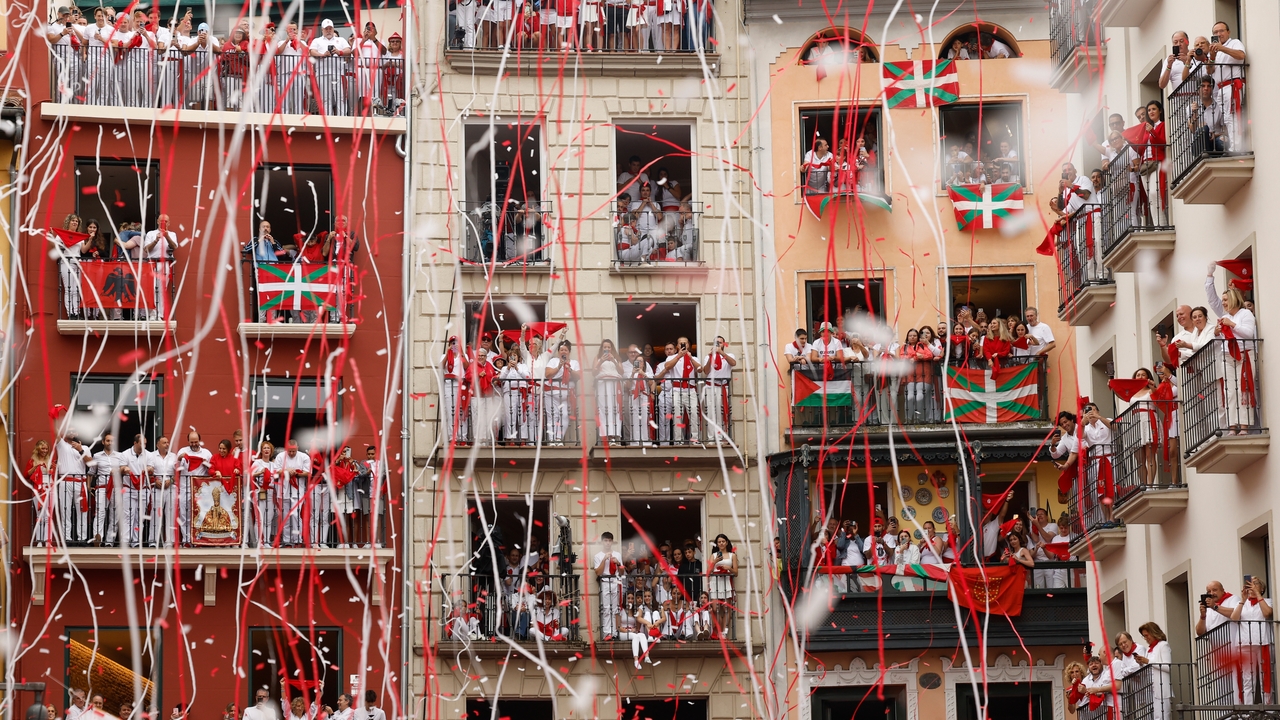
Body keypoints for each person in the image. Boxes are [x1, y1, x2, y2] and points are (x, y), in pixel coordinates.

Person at [1204, 266, 1257, 433]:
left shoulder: (1245, 314)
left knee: (1244, 390)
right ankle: (1232, 426)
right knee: (1230, 393)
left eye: (1226, 300)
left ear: (1234, 299)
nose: (1224, 303)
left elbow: (1248, 333)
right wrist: (1217, 332)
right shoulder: (1224, 316)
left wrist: (1232, 325)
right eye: (1223, 300)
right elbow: (1220, 340)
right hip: (1227, 357)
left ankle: (1244, 426)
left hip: (1244, 356)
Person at [1229, 576, 1273, 704]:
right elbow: (1234, 618)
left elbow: (1267, 613)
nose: (1252, 586)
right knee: (1248, 679)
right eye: (1250, 584)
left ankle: (1268, 709)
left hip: (1262, 642)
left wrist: (1258, 595)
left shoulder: (1267, 601)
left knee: (1265, 676)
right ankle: (1248, 711)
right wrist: (1242, 600)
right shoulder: (1242, 604)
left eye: (1256, 584)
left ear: (1262, 588)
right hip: (1244, 644)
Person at [656, 337, 701, 444]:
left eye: (684, 343)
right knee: (677, 416)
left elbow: (700, 369)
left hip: (690, 389)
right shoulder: (672, 358)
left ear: (688, 345)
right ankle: (678, 440)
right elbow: (667, 366)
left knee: (694, 414)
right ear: (677, 346)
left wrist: (690, 358)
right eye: (680, 343)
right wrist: (679, 356)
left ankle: (695, 439)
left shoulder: (694, 358)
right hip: (677, 389)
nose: (682, 345)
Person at [309, 19, 352, 116]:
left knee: (341, 97)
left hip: (338, 73)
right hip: (322, 73)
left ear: (333, 29)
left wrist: (338, 52)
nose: (328, 30)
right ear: (322, 30)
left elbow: (348, 50)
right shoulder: (317, 40)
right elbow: (312, 51)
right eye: (326, 29)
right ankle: (328, 120)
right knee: (325, 98)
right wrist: (322, 55)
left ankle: (342, 119)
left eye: (330, 28)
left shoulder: (340, 40)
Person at [543, 340, 579, 445]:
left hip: (567, 394)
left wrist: (570, 369)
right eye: (561, 350)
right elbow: (547, 374)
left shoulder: (574, 363)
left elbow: (579, 376)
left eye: (566, 350)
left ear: (569, 351)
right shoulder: (553, 361)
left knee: (564, 415)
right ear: (558, 351)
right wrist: (559, 366)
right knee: (552, 416)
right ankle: (552, 439)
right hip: (551, 393)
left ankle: (558, 438)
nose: (563, 351)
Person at [701, 335, 735, 443]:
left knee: (721, 413)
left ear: (724, 344)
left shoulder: (729, 355)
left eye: (720, 342)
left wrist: (721, 353)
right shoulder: (708, 357)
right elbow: (706, 371)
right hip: (710, 387)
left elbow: (733, 363)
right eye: (716, 342)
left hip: (722, 387)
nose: (718, 344)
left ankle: (720, 437)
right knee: (711, 413)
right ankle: (711, 438)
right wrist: (711, 356)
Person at [1139, 622, 1173, 720]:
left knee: (1163, 716)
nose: (1145, 638)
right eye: (1144, 636)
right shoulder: (1149, 649)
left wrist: (1148, 661)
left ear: (1153, 632)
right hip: (1150, 687)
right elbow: (1148, 666)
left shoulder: (1163, 645)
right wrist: (1141, 662)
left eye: (1146, 635)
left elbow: (1167, 666)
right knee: (1154, 716)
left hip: (1161, 687)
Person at [707, 533, 736, 637]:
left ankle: (724, 631)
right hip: (715, 583)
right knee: (716, 608)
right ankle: (719, 630)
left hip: (726, 582)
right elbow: (708, 572)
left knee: (726, 608)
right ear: (717, 544)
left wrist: (729, 568)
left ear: (727, 542)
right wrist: (715, 562)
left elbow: (736, 572)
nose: (721, 543)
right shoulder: (713, 556)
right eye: (719, 542)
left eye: (723, 541)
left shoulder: (732, 555)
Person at [27, 440, 54, 546]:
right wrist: (36, 467)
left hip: (49, 488)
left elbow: (55, 475)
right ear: (38, 448)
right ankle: (39, 541)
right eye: (43, 448)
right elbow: (27, 474)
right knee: (39, 515)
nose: (45, 451)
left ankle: (48, 541)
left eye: (46, 449)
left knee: (48, 515)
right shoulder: (32, 461)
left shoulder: (50, 460)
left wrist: (52, 468)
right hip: (38, 490)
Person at [634, 588, 663, 668]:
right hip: (646, 631)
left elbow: (664, 618)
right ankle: (651, 636)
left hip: (656, 627)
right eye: (645, 596)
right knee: (646, 614)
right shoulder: (641, 607)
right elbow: (638, 618)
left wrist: (656, 622)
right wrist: (648, 623)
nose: (647, 598)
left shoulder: (658, 606)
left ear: (652, 597)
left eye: (649, 596)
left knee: (656, 613)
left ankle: (656, 636)